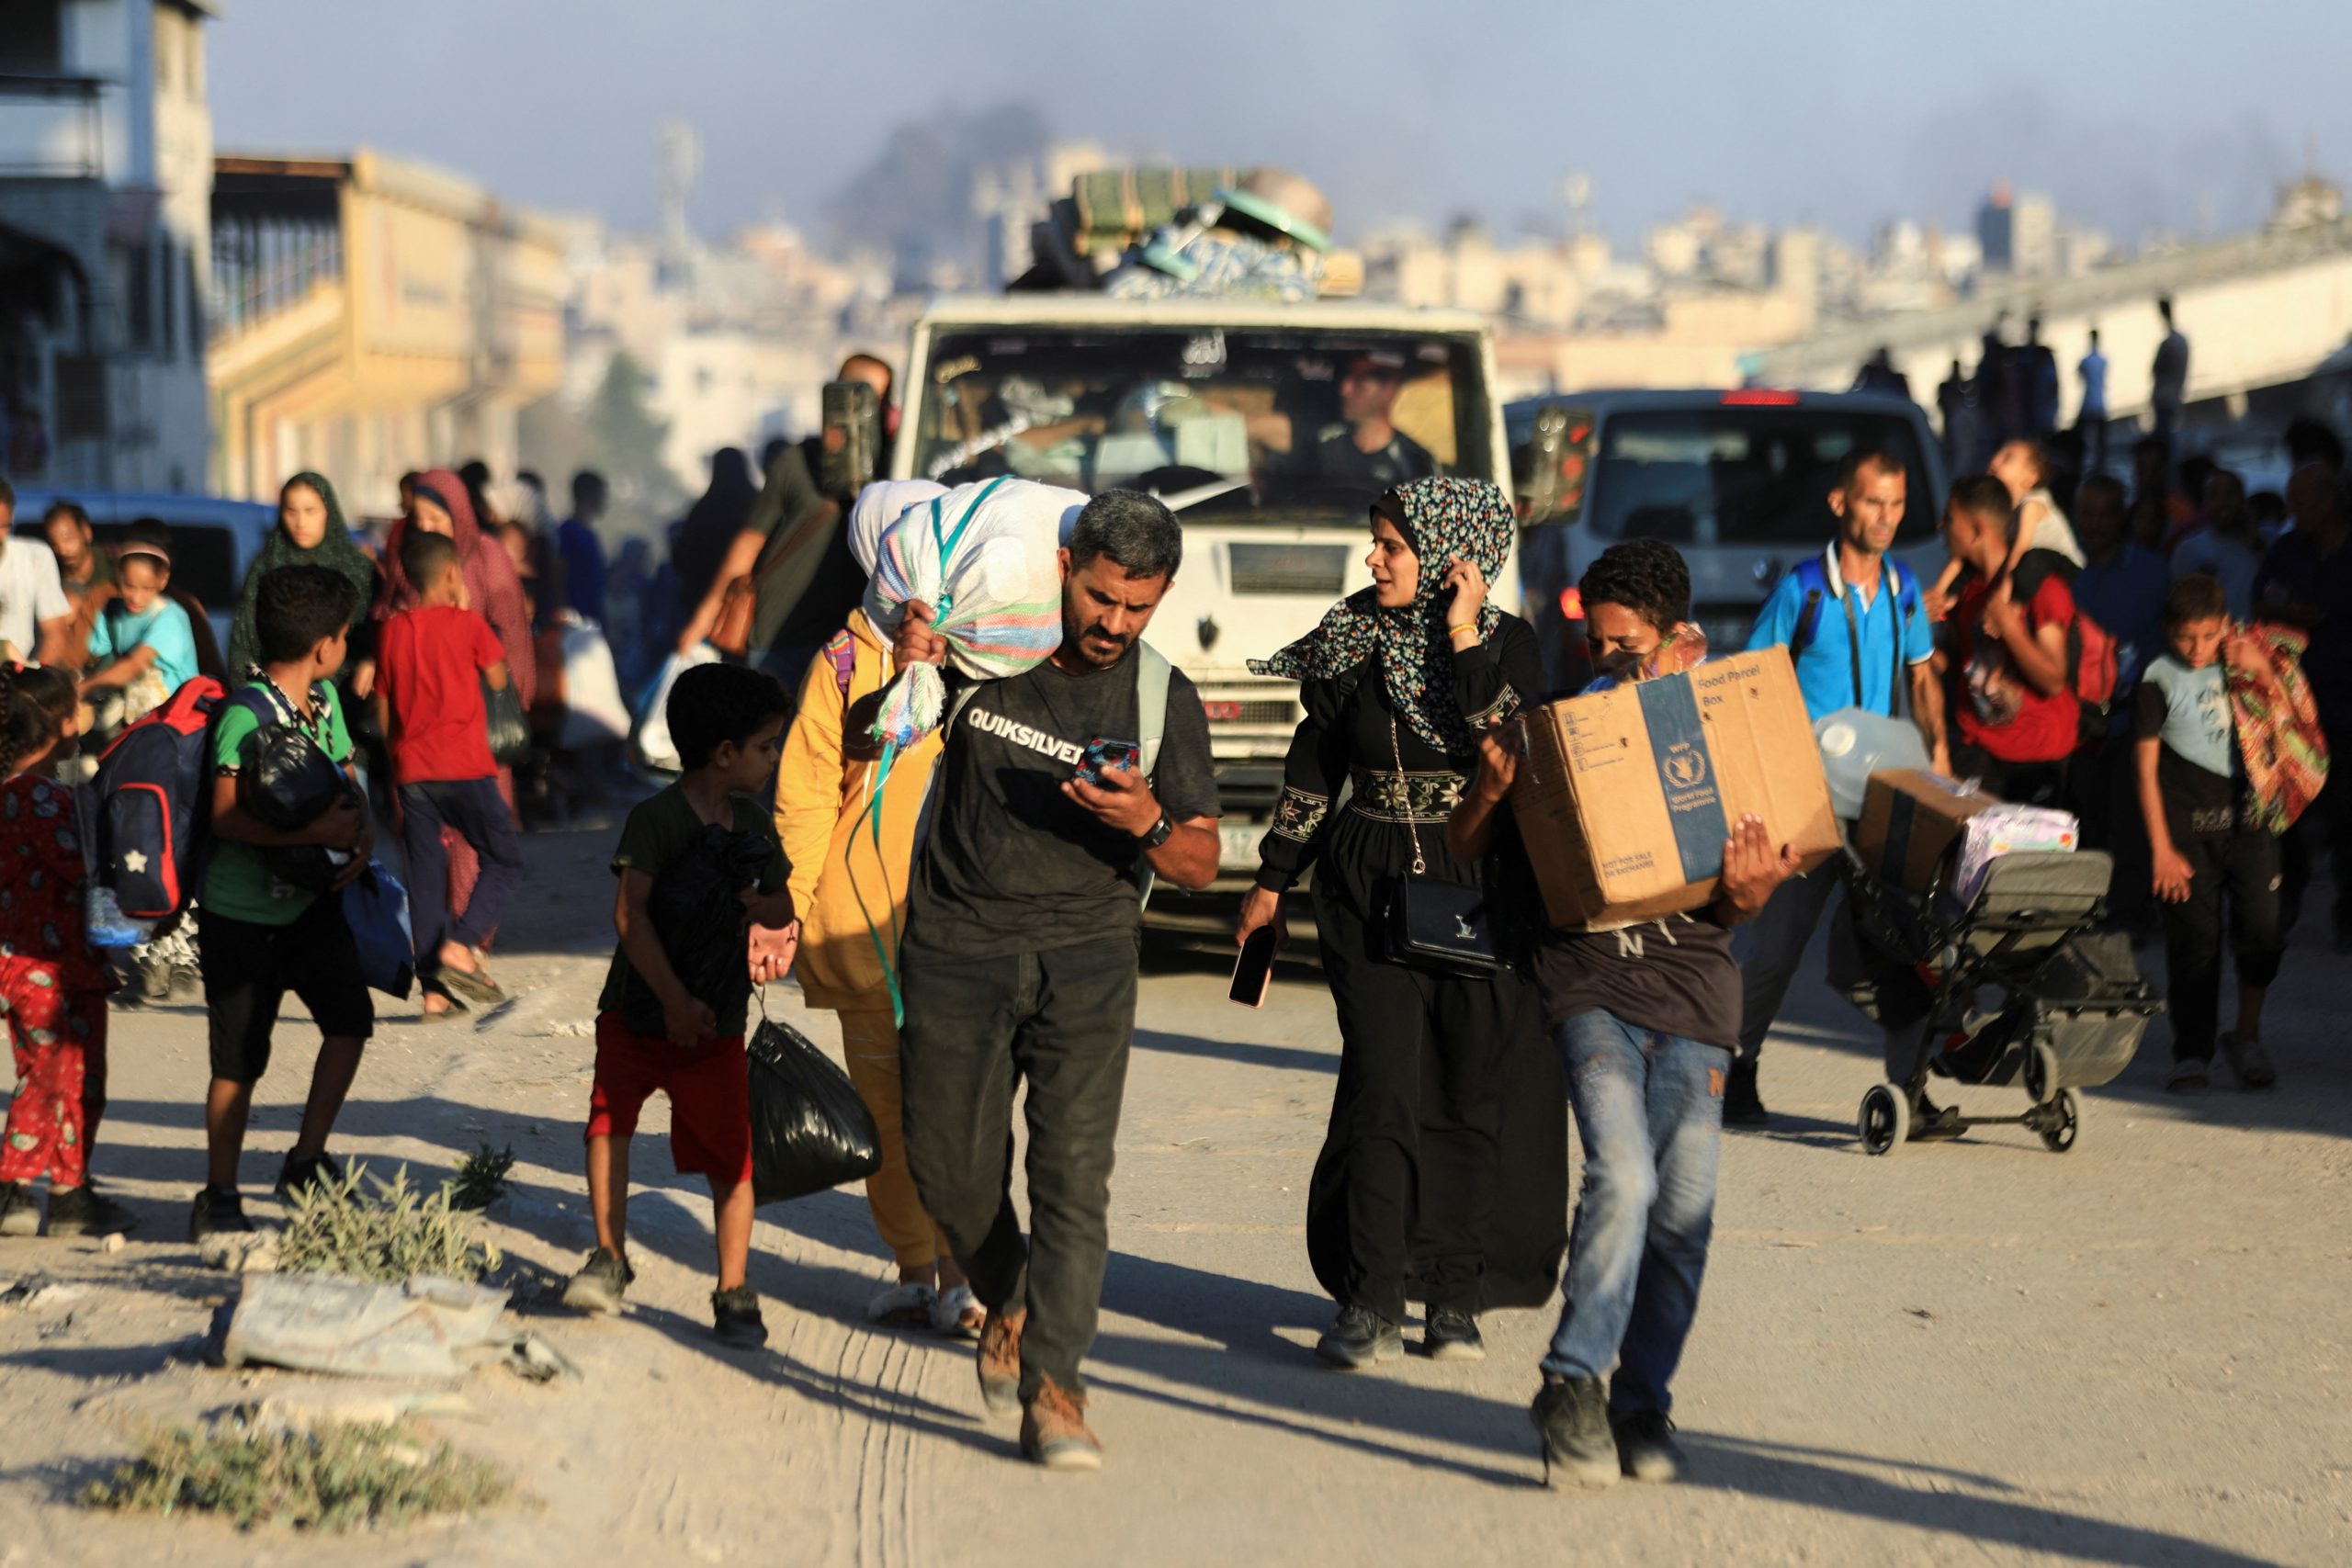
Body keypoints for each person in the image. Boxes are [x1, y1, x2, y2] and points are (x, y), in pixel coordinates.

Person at [1446, 539, 1801, 1490]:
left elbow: (1735, 897)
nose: (1606, 660)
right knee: (1627, 1176)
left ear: (1676, 634)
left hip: (1692, 994)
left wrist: (1752, 891)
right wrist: (1486, 785)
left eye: (1624, 645)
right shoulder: (1556, 730)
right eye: (1595, 642)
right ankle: (1569, 1385)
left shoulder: (1723, 725)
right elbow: (1464, 850)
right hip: (1590, 986)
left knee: (1685, 1214)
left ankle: (1641, 1400)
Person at [892, 491, 1221, 1471]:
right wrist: (910, 656)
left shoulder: (1163, 697)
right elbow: (882, 721)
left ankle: (1055, 1388)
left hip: (1087, 956)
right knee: (947, 1173)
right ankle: (1016, 1293)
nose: (1115, 624)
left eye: (1139, 606)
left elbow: (1201, 857)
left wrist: (1147, 826)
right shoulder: (981, 650)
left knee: (1073, 1179)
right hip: (955, 945)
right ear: (1065, 563)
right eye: (1101, 597)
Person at [1238, 477, 1566, 1371]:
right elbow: (1313, 763)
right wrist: (1272, 882)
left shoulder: (1510, 645)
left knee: (1468, 1089)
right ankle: (1370, 1297)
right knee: (1384, 1086)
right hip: (1370, 878)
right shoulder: (1350, 641)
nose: (1372, 559)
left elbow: (1510, 743)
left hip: (1479, 880)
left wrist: (1461, 638)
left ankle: (1453, 1297)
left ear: (1452, 554)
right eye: (1372, 541)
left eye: (1390, 544)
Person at [773, 479, 990, 1336]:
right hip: (860, 924)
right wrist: (787, 908)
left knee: (957, 1101)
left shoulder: (983, 649)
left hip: (962, 919)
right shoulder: (839, 659)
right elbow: (805, 794)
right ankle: (915, 1266)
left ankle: (961, 1270)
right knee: (887, 1109)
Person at [560, 662, 797, 1348]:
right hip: (639, 1011)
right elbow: (630, 915)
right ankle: (609, 1258)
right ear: (725, 753)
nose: (772, 758)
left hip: (717, 1020)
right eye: (765, 746)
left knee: (732, 1157)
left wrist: (766, 906)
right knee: (609, 1127)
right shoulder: (656, 819)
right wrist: (670, 1000)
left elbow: (782, 901)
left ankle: (733, 1288)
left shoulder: (752, 822)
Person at [1730, 448, 1942, 1125]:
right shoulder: (1803, 590)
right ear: (1840, 503)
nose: (1886, 517)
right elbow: (1753, 682)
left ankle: (1912, 1087)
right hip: (1809, 797)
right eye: (1874, 501)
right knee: (1777, 947)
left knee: (1906, 942)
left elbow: (1924, 678)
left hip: (1885, 797)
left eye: (1897, 503)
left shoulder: (1905, 586)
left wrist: (1940, 770)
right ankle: (1736, 1066)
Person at [190, 565, 375, 1241]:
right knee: (237, 1061)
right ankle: (219, 1192)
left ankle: (306, 1160)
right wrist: (318, 831)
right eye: (347, 633)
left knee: (350, 1019)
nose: (347, 644)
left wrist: (361, 829)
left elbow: (344, 776)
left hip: (309, 904)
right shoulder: (245, 713)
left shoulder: (323, 699)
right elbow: (226, 817)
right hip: (241, 915)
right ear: (325, 644)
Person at [368, 468, 535, 953]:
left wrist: (509, 707)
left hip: (472, 727)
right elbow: (386, 615)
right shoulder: (409, 557)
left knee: (470, 846)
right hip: (421, 723)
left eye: (437, 516)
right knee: (426, 848)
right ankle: (451, 946)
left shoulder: (487, 555)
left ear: (459, 513)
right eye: (419, 517)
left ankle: (467, 940)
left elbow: (511, 632)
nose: (429, 525)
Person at [2137, 575, 2291, 1093]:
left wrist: (2263, 674)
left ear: (2225, 626)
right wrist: (2160, 848)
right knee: (2194, 945)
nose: (2198, 649)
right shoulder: (2158, 678)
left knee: (2262, 932)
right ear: (2167, 631)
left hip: (2250, 826)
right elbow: (2144, 769)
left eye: (2208, 636)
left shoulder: (2246, 659)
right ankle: (2192, 1051)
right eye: (2186, 637)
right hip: (2187, 837)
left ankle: (2246, 1036)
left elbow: (2288, 724)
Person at [0, 663, 131, 1238]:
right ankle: (12, 1184)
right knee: (49, 1072)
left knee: (79, 1074)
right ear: (57, 725)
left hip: (59, 962)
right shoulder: (35, 796)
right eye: (75, 707)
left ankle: (69, 1188)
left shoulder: (32, 790)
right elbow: (79, 865)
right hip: (42, 966)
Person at [676, 355, 900, 686]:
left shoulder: (895, 469)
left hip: (851, 642)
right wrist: (705, 617)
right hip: (781, 639)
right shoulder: (797, 461)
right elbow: (749, 542)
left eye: (876, 400)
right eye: (857, 394)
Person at [2256, 467, 2352, 951]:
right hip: (2293, 703)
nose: (2294, 510)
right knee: (2286, 808)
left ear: (2331, 503)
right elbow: (2263, 595)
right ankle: (2285, 897)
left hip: (2345, 701)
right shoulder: (2288, 549)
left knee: (2347, 812)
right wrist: (2287, 613)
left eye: (2304, 500)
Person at [1942, 474, 2081, 804]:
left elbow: (2052, 680)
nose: (1941, 527)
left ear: (1977, 531)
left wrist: (2010, 626)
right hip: (1978, 751)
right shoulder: (1968, 590)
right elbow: (1957, 662)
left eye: (1950, 520)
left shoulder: (2041, 588)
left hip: (2036, 759)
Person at [227, 474, 379, 682]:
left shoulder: (357, 569)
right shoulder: (266, 565)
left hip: (346, 697)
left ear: (329, 512)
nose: (300, 523)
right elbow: (243, 639)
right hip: (276, 695)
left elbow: (374, 635)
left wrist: (369, 663)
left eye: (310, 511)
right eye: (291, 511)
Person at [1927, 439, 2081, 619]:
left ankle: (2014, 609)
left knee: (2031, 561)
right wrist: (1939, 590)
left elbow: (2019, 550)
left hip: (2066, 571)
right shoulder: (2005, 508)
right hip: (2028, 568)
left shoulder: (2033, 504)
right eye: (1997, 454)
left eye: (2007, 458)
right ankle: (1949, 601)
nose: (1995, 460)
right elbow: (1961, 555)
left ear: (2031, 477)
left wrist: (2002, 596)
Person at [78, 534, 199, 723]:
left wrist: (81, 690)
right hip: (133, 717)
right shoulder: (112, 611)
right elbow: (95, 658)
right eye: (129, 586)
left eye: (147, 588)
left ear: (163, 579)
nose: (136, 597)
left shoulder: (170, 617)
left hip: (172, 722)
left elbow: (134, 665)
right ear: (118, 576)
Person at [1306, 353, 1436, 488]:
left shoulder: (1412, 460)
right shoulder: (1326, 444)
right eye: (1346, 379)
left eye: (1360, 382)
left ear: (1389, 391)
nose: (1345, 390)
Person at [2172, 469, 2261, 620]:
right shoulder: (2188, 549)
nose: (2222, 502)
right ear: (2204, 503)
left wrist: (2256, 542)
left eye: (2230, 494)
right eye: (2213, 495)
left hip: (2258, 639)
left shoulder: (2264, 541)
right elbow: (2178, 608)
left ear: (2243, 499)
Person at [0, 481, 71, 666]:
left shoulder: (35, 557)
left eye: (3, 526)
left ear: (12, 517)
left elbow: (55, 633)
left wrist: (34, 681)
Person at [40, 500, 111, 652]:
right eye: (55, 543)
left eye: (68, 539)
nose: (63, 549)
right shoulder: (47, 574)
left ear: (86, 532)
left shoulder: (113, 567)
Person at [557, 470, 611, 626]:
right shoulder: (568, 532)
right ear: (589, 495)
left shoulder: (590, 535)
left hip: (591, 620)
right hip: (574, 621)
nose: (604, 501)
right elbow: (560, 574)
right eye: (601, 494)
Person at [2152, 298, 2189, 442]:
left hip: (2165, 397)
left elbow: (2155, 370)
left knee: (2163, 438)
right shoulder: (2181, 341)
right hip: (2175, 395)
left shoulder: (2169, 343)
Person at [2076, 329, 2109, 469]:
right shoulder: (2103, 360)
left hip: (2089, 402)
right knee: (2100, 439)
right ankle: (2100, 464)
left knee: (2082, 436)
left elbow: (2080, 377)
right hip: (2099, 402)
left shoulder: (2085, 361)